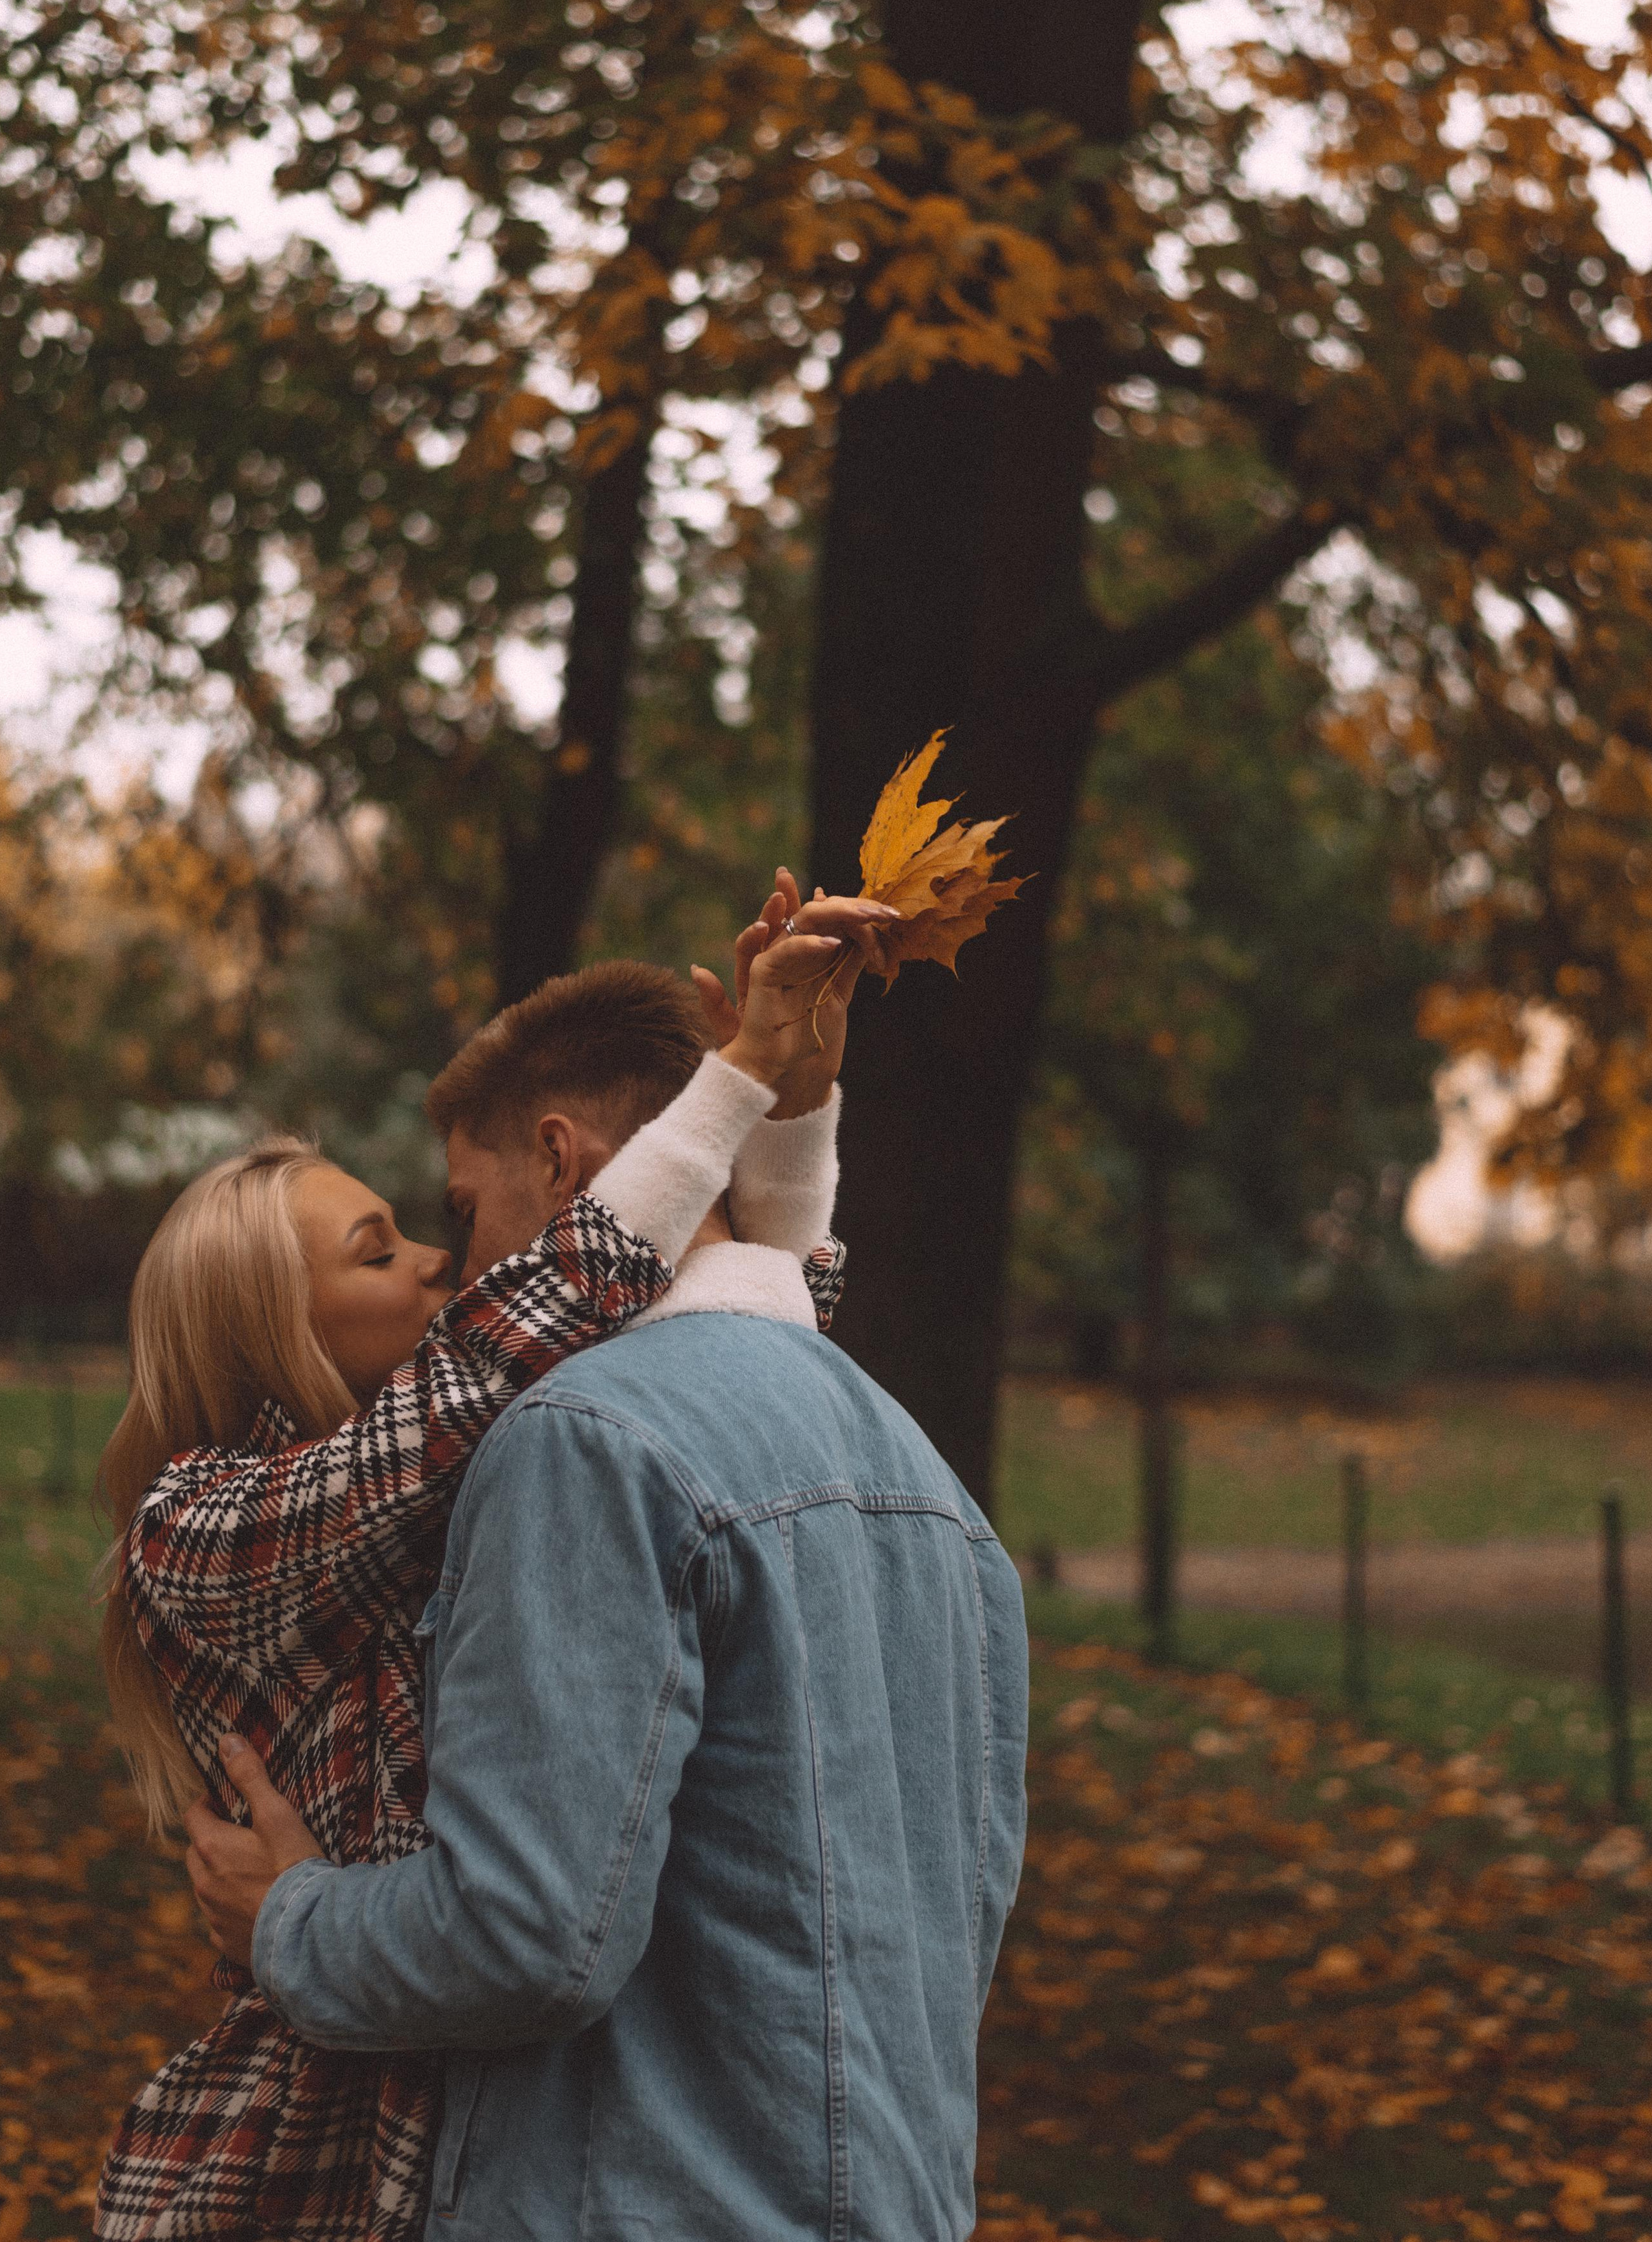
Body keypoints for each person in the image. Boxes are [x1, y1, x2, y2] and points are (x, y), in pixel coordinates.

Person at [183, 945, 1031, 2242]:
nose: (460, 1270)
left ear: (564, 1161)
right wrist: (790, 1107)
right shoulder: (933, 1488)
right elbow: (954, 1925)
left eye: (464, 1210)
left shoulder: (584, 1439)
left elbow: (526, 1933)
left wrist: (287, 1919)